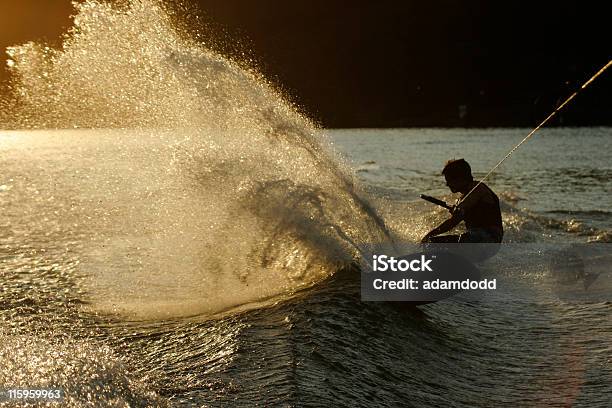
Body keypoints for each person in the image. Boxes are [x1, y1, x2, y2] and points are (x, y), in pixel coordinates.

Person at [421, 159, 503, 245]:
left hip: (489, 238)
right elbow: (454, 221)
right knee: (432, 243)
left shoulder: (478, 188)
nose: (447, 184)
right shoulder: (462, 199)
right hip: (477, 241)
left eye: (449, 180)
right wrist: (429, 235)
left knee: (433, 242)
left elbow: (458, 214)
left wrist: (459, 209)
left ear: (460, 178)